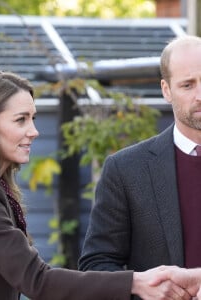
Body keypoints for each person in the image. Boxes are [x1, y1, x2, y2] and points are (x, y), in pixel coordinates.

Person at [0, 70, 190, 300]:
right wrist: (134, 281)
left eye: (32, 118)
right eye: (21, 120)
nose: (34, 131)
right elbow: (37, 280)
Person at [78, 34, 201, 298]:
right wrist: (138, 285)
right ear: (166, 90)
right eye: (188, 85)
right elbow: (96, 264)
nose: (200, 95)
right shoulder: (125, 170)